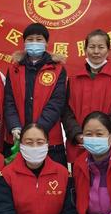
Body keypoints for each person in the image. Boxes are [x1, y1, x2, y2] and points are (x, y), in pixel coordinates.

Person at [62, 29, 111, 164]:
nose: (96, 51)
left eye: (101, 47)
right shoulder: (73, 78)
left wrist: (100, 136)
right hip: (79, 145)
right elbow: (66, 111)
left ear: (108, 51)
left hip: (108, 144)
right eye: (92, 47)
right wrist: (78, 135)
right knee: (79, 182)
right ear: (85, 50)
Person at [4, 23, 67, 166]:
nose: (34, 43)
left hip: (49, 138)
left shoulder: (57, 69)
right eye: (30, 39)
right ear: (24, 42)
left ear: (46, 43)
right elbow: (9, 101)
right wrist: (14, 126)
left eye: (39, 39)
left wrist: (37, 132)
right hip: (17, 137)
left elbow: (57, 102)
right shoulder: (14, 68)